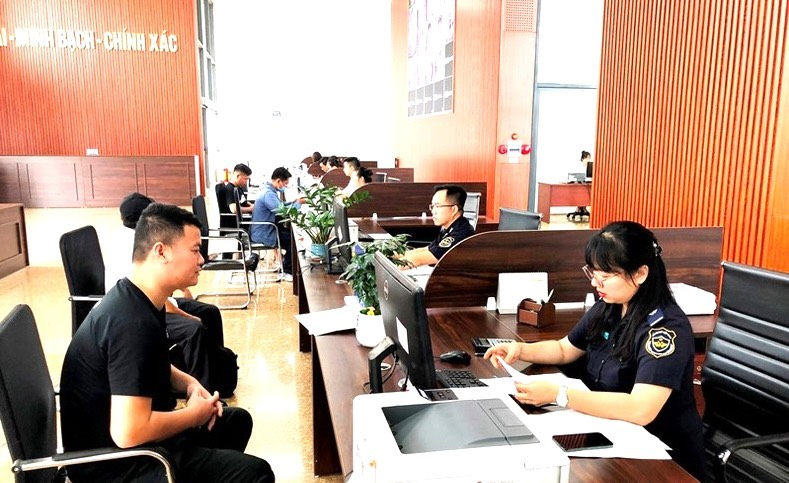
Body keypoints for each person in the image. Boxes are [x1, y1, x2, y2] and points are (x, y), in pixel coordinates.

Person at [60, 203, 275, 482]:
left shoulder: (140, 299)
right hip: (115, 466)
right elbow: (129, 432)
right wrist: (193, 416)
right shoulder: (131, 323)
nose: (202, 260)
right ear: (161, 252)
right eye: (195, 250)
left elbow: (150, 364)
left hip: (133, 448)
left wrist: (190, 384)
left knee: (235, 421)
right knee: (256, 473)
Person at [484, 221, 704, 479]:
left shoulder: (664, 329)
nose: (595, 283)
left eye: (605, 276)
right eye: (593, 273)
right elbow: (564, 349)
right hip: (610, 432)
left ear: (641, 273)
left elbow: (640, 409)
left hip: (660, 458)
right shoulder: (609, 306)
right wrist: (520, 350)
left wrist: (559, 395)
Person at [112, 193, 227, 393]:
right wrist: (188, 316)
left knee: (210, 312)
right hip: (150, 304)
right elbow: (154, 297)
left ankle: (218, 373)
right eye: (195, 251)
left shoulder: (138, 239)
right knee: (193, 328)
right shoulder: (137, 249)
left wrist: (184, 288)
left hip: (160, 301)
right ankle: (205, 390)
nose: (200, 259)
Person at [400, 184, 475, 267]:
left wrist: (393, 266)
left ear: (454, 209)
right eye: (432, 206)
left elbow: (419, 259)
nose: (433, 211)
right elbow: (427, 249)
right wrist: (395, 255)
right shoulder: (449, 228)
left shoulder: (460, 234)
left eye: (437, 206)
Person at [251, 167, 303, 282]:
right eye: (285, 184)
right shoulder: (268, 194)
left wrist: (294, 202)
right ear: (278, 181)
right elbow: (281, 211)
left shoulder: (269, 190)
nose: (285, 186)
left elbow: (280, 205)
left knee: (293, 235)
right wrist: (298, 204)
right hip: (264, 233)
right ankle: (287, 271)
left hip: (267, 229)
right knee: (293, 241)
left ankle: (287, 267)